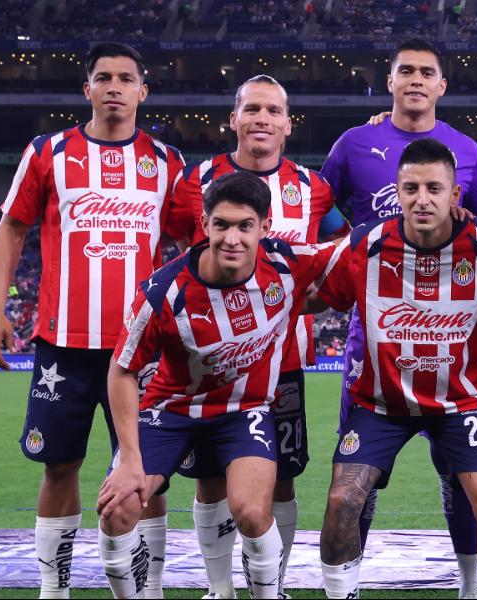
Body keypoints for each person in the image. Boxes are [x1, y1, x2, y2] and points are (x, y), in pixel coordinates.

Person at [315, 138, 477, 599]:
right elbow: (317, 293)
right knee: (343, 498)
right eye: (411, 188)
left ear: (455, 194)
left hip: (460, 403)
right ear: (398, 191)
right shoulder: (365, 244)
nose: (422, 199)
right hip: (380, 404)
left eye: (434, 188)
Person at [0, 42, 184, 599]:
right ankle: (55, 589)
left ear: (143, 91)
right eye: (103, 77)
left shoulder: (167, 162)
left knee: (146, 472)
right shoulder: (48, 152)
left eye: (126, 78)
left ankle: (150, 586)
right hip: (63, 344)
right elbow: (12, 229)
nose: (114, 86)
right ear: (87, 89)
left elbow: (193, 244)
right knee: (58, 467)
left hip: (142, 348)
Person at [96, 171, 339, 599]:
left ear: (265, 227)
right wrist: (130, 459)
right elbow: (121, 370)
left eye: (245, 226)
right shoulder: (162, 292)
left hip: (244, 411)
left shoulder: (287, 265)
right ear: (205, 224)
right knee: (117, 510)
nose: (232, 238)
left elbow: (356, 246)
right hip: (171, 410)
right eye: (221, 225)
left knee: (251, 511)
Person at [319, 36, 477, 598]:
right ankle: (347, 582)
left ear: (442, 84)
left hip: (450, 350)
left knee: (461, 478)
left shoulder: (466, 150)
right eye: (406, 71)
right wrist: (351, 245)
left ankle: (472, 584)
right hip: (374, 348)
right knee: (356, 484)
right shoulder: (354, 143)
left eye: (426, 72)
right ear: (390, 80)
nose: (416, 79)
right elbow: (317, 208)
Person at [167, 73, 343, 599]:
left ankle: (275, 586)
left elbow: (342, 244)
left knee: (281, 476)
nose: (262, 119)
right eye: (252, 109)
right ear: (233, 119)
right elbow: (177, 252)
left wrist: (310, 300)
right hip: (209, 362)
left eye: (273, 111)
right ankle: (219, 588)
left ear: (288, 124)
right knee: (209, 479)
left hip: (281, 361)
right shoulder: (194, 180)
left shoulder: (313, 188)